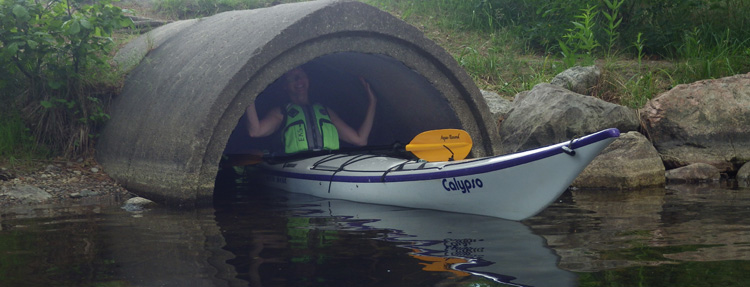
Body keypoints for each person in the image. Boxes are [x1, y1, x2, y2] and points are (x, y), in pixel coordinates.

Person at [245, 67, 377, 154]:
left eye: (301, 76)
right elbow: (255, 131)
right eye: (292, 78)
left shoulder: (325, 111)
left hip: (328, 162)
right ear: (285, 86)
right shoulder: (281, 113)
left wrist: (373, 102)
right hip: (296, 164)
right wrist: (248, 96)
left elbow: (360, 140)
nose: (299, 80)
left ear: (308, 80)